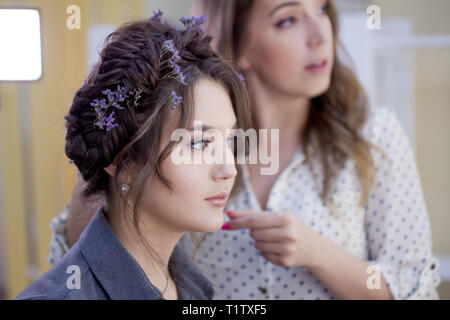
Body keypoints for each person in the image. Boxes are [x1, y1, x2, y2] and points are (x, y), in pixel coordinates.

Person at [49, 0, 441, 300]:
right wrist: (115, 131)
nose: (320, 34)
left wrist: (319, 254)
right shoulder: (176, 131)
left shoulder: (373, 137)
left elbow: (416, 285)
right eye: (287, 19)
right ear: (240, 41)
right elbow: (84, 261)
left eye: (321, 9)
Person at [16, 12, 252, 300]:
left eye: (228, 140)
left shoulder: (192, 287)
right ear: (122, 161)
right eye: (200, 143)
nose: (229, 169)